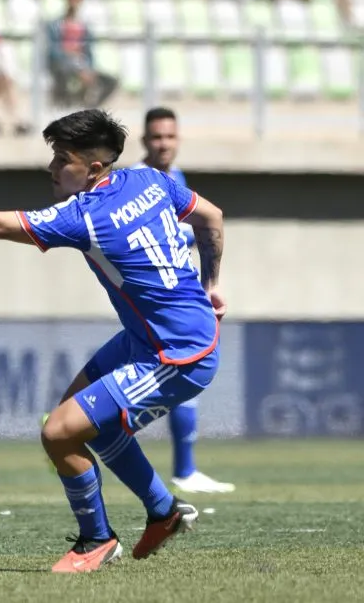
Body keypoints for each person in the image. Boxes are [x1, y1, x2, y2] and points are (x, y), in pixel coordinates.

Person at [0, 109, 226, 573]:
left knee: (57, 432)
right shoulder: (151, 179)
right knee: (74, 418)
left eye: (61, 159)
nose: (51, 168)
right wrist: (211, 284)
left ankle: (97, 540)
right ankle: (162, 511)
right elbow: (211, 217)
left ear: (93, 168)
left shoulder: (84, 216)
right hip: (151, 336)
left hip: (178, 354)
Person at [133, 107, 235, 495]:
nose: (164, 144)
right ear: (144, 141)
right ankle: (81, 420)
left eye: (170, 137)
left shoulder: (176, 178)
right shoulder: (137, 179)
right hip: (153, 297)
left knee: (181, 375)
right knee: (173, 373)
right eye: (157, 137)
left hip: (180, 292)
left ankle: (185, 469)